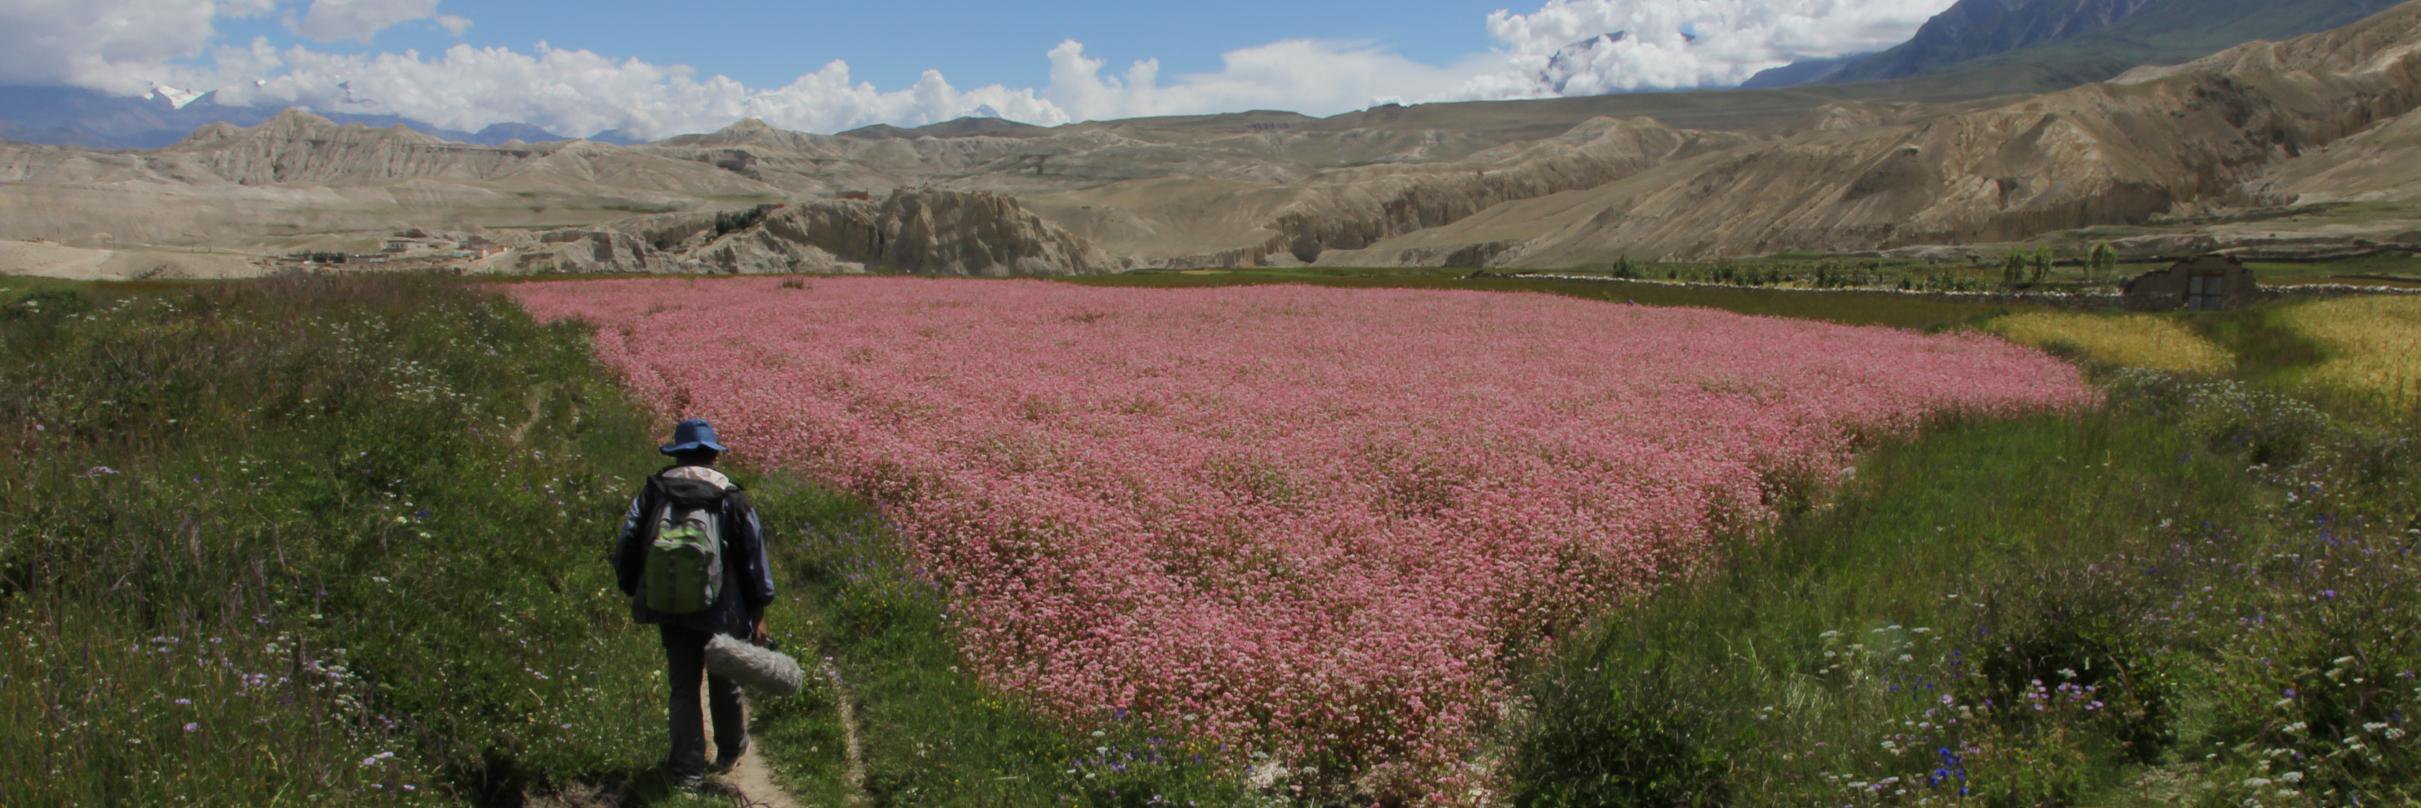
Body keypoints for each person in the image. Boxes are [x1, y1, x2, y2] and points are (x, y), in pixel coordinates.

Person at [612, 418, 776, 789]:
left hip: (669, 605)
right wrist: (759, 609)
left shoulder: (654, 492)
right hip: (723, 609)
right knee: (725, 682)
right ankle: (730, 750)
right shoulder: (731, 496)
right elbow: (754, 556)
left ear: (678, 454)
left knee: (684, 686)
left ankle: (687, 773)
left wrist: (634, 587)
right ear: (713, 455)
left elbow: (628, 540)